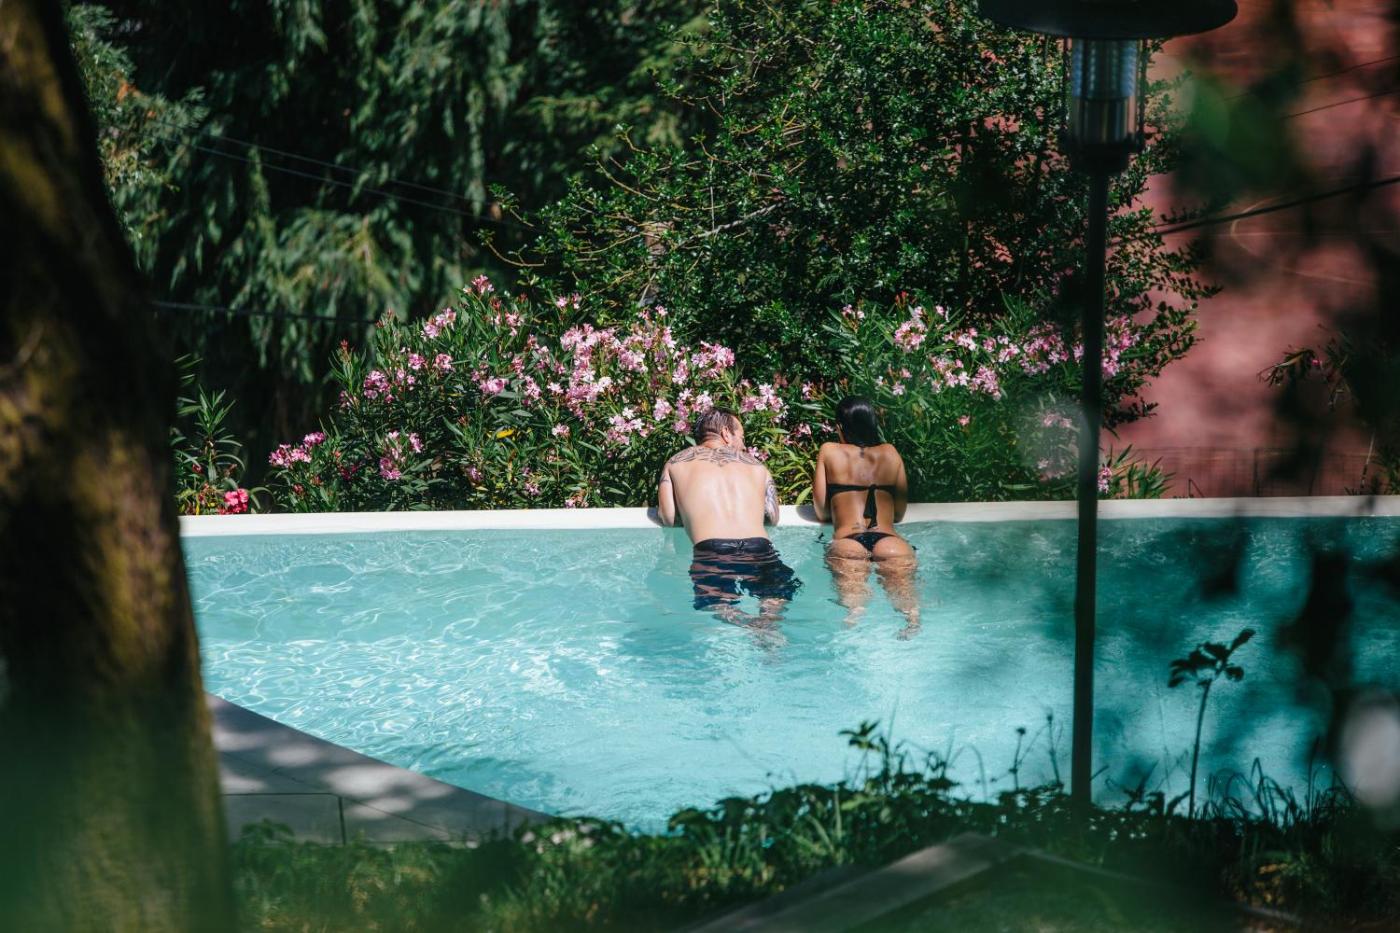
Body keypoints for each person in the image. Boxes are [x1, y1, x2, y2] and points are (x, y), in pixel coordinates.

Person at [658, 408, 800, 629]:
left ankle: (749, 624)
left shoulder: (675, 463)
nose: (743, 445)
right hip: (759, 547)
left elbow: (667, 517)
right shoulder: (756, 465)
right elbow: (773, 517)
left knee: (717, 603)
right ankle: (768, 624)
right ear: (726, 433)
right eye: (741, 437)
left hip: (712, 549)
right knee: (774, 596)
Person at [812, 396, 920, 637]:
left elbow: (821, 509)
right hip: (890, 542)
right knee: (906, 597)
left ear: (840, 427)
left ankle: (855, 614)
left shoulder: (829, 451)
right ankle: (912, 619)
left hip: (848, 542)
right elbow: (899, 512)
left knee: (854, 603)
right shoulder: (891, 452)